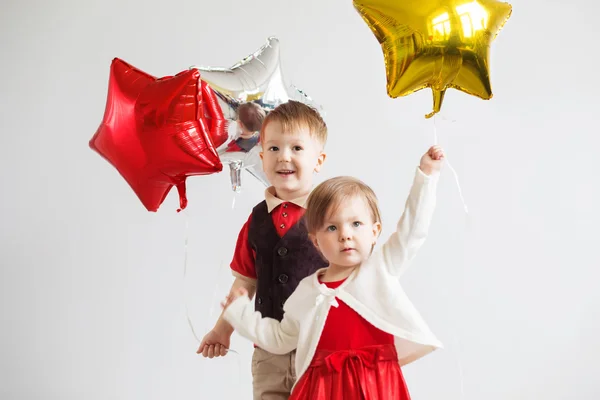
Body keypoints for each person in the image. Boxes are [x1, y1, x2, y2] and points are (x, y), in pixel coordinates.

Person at [222, 146, 445, 399]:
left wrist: (427, 175)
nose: (345, 234)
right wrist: (239, 314)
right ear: (315, 241)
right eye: (331, 228)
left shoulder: (379, 269)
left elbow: (412, 231)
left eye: (356, 224)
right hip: (321, 389)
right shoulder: (307, 290)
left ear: (375, 231)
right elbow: (280, 338)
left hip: (373, 384)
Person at [198, 100, 329, 400]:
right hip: (268, 350)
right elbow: (245, 282)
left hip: (320, 350)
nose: (284, 157)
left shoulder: (330, 216)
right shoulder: (256, 220)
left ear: (318, 160)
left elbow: (350, 277)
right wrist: (223, 329)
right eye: (274, 149)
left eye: (297, 148)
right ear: (261, 156)